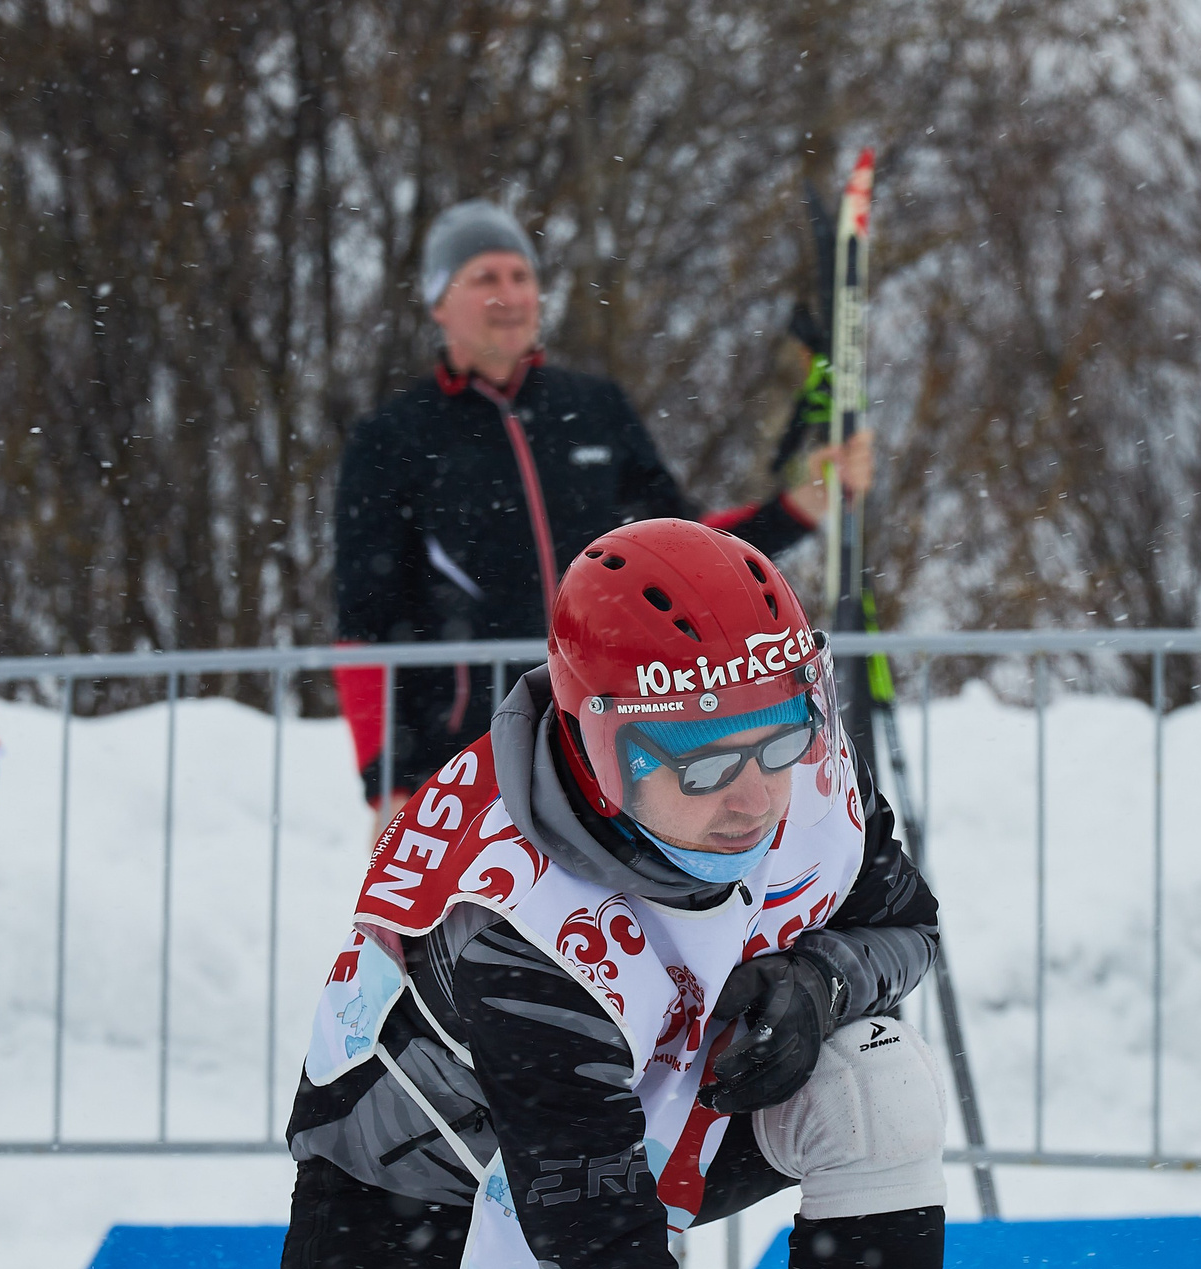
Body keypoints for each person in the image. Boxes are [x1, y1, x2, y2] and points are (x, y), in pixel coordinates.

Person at [51, 519, 995, 1269]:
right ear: (597, 738)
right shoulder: (511, 922)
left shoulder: (797, 757)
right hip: (423, 1169)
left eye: (777, 733)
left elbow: (908, 927)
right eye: (698, 759)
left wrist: (818, 981)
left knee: (878, 1076)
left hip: (663, 1093)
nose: (752, 791)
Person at [336, 198, 873, 823]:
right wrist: (385, 781)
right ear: (438, 303)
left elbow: (688, 552)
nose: (509, 294)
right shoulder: (393, 436)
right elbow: (364, 624)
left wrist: (797, 508)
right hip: (461, 755)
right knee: (480, 921)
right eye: (484, 278)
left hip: (607, 731)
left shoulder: (592, 407)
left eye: (521, 276)